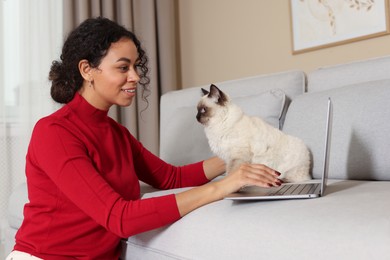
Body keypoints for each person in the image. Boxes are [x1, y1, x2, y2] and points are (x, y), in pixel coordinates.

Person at [7, 17, 282, 259]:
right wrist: (222, 188)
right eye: (123, 67)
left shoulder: (117, 134)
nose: (136, 77)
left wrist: (237, 155)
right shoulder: (54, 132)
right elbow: (119, 218)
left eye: (136, 67)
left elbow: (171, 178)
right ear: (87, 70)